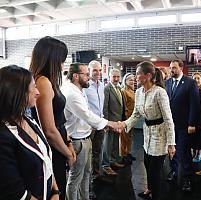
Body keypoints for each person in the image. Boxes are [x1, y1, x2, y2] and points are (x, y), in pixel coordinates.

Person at [0, 65, 59, 200]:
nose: (38, 92)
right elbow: (14, 191)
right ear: (17, 91)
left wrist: (56, 191)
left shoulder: (29, 120)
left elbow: (46, 160)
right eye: (34, 87)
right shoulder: (4, 135)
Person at [119, 61, 176, 200]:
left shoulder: (159, 92)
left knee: (155, 171)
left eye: (138, 74)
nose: (136, 77)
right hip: (147, 136)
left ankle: (156, 195)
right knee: (147, 165)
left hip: (160, 136)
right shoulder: (138, 92)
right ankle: (150, 190)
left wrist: (171, 143)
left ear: (148, 75)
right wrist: (123, 125)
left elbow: (168, 119)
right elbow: (136, 115)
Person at [62, 63, 119, 200]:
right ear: (76, 76)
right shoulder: (71, 93)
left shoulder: (79, 89)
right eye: (86, 74)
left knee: (86, 173)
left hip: (85, 137)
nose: (89, 77)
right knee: (75, 178)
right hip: (77, 140)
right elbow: (86, 114)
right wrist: (109, 123)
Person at [29, 36, 76, 200]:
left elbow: (59, 119)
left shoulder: (50, 81)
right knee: (57, 191)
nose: (63, 65)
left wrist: (68, 142)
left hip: (60, 142)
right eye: (62, 60)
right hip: (52, 147)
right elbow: (49, 130)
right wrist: (68, 154)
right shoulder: (43, 82)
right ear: (52, 59)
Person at [165, 59, 200, 191]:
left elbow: (194, 105)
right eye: (170, 68)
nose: (171, 70)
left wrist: (191, 123)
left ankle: (187, 178)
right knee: (171, 150)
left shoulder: (190, 83)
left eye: (174, 68)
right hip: (170, 125)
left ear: (181, 68)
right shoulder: (167, 83)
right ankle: (173, 171)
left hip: (185, 125)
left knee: (184, 151)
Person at [102, 68, 126, 176]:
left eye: (117, 77)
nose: (116, 79)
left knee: (116, 143)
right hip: (110, 122)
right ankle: (106, 166)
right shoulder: (107, 88)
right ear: (109, 77)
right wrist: (106, 123)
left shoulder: (119, 88)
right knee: (107, 145)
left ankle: (113, 161)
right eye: (114, 77)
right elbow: (105, 107)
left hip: (118, 121)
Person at [84, 60, 106, 177]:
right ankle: (87, 183)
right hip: (89, 125)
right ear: (89, 71)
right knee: (87, 154)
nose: (98, 73)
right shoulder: (85, 86)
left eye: (100, 70)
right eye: (95, 70)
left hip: (100, 123)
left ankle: (96, 175)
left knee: (98, 151)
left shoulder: (102, 85)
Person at [191, 72, 201, 163]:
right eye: (194, 78)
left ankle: (199, 153)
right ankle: (194, 153)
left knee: (199, 137)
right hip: (192, 118)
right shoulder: (191, 90)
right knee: (193, 137)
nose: (196, 80)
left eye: (198, 78)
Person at [121, 73, 136, 164]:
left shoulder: (132, 90)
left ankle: (128, 152)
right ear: (125, 81)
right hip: (127, 118)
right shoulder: (124, 91)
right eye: (130, 80)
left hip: (132, 117)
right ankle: (123, 155)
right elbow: (124, 105)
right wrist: (126, 118)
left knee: (130, 137)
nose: (132, 81)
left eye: (133, 79)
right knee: (124, 137)